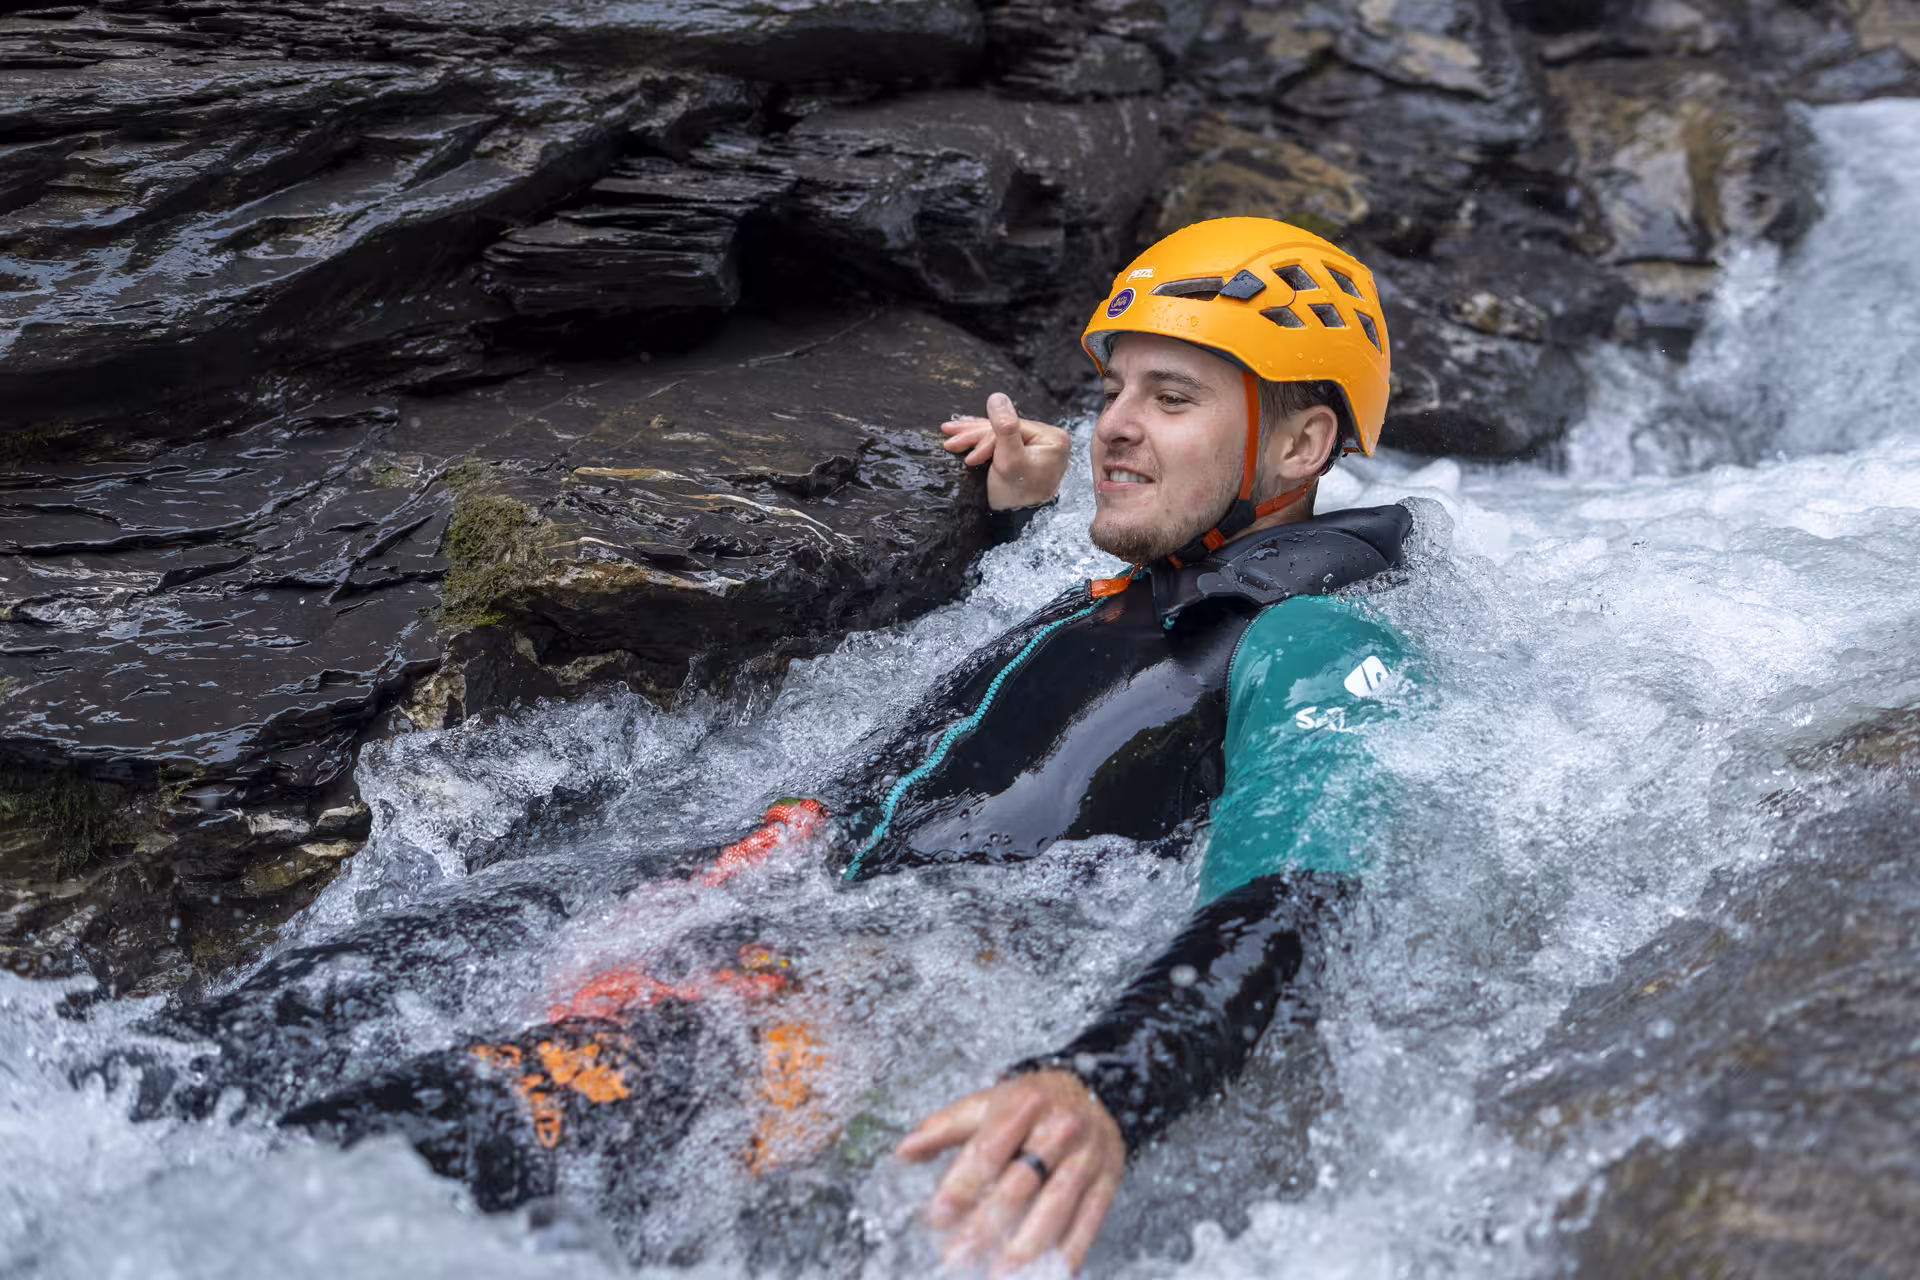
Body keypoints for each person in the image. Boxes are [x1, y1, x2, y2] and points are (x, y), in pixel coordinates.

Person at [144, 218, 1422, 1273]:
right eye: (1112, 392)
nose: (1114, 428)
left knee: (379, 1154)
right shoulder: (1147, 562)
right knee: (204, 1050)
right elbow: (1100, 566)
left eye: (1171, 398)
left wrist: (1103, 1082)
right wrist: (1041, 481)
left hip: (878, 985)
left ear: (1302, 446)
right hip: (758, 875)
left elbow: (1293, 897)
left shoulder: (1316, 642)